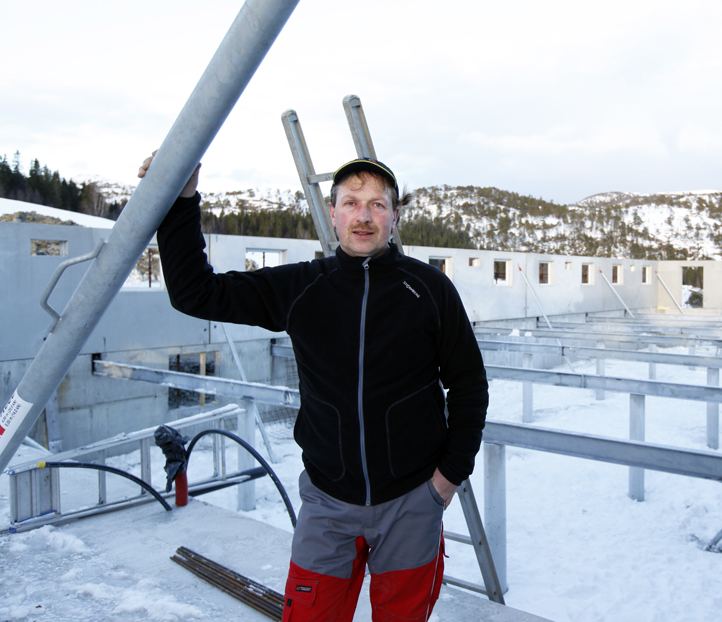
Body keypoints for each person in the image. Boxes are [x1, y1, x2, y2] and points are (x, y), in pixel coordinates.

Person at [140, 152, 489, 621]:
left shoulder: (429, 289)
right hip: (328, 505)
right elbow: (194, 292)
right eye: (351, 202)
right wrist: (182, 198)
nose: (364, 216)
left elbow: (469, 384)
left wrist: (446, 480)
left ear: (395, 215)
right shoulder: (303, 286)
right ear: (333, 212)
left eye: (378, 205)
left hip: (411, 504)